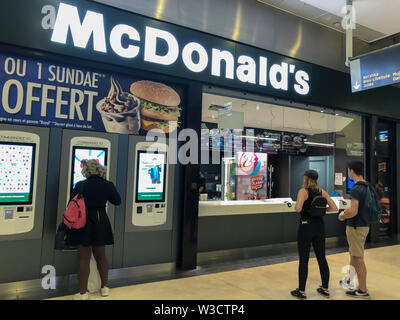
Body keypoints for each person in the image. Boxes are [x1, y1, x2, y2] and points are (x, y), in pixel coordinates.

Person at [67, 159, 121, 300]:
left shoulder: (80, 185)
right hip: (100, 221)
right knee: (101, 257)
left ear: (86, 171)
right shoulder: (108, 185)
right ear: (100, 170)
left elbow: (71, 204)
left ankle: (83, 293)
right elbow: (117, 201)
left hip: (82, 223)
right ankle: (105, 288)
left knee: (83, 259)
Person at [291, 170, 338, 299]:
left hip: (306, 226)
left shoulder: (303, 192)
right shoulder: (322, 192)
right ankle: (325, 288)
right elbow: (335, 208)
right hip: (319, 226)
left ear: (306, 179)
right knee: (321, 258)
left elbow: (298, 209)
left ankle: (301, 291)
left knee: (304, 259)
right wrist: (321, 211)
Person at [338, 161, 371, 299]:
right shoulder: (367, 185)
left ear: (352, 171)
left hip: (356, 227)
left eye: (349, 170)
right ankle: (349, 280)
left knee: (358, 258)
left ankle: (363, 289)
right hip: (364, 225)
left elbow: (354, 211)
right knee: (354, 255)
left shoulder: (356, 188)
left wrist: (342, 215)